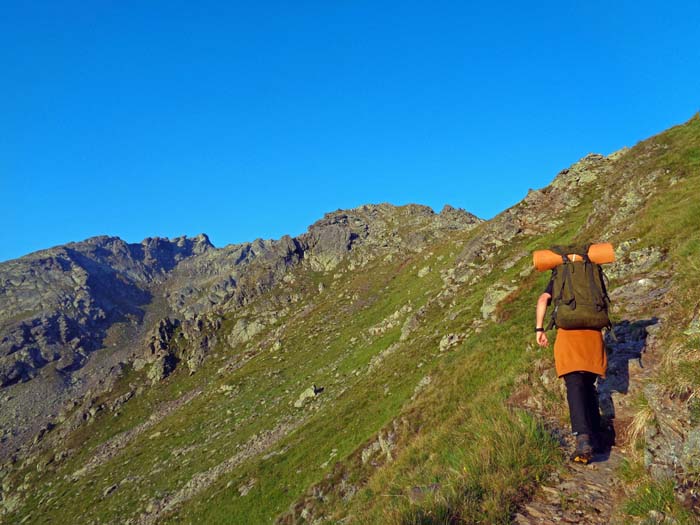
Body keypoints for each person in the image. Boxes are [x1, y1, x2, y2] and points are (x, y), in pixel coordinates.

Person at [535, 276, 608, 464]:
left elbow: (543, 299)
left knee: (574, 385)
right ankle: (597, 437)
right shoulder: (590, 275)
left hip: (569, 337)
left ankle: (583, 438)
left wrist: (539, 329)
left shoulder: (560, 277)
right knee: (589, 384)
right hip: (593, 336)